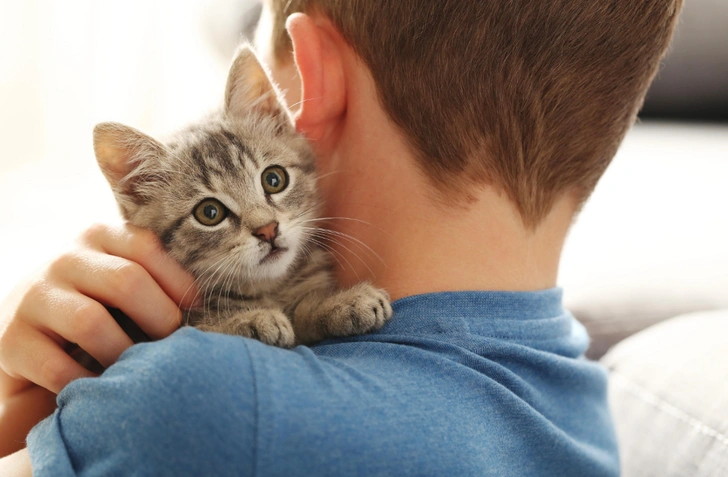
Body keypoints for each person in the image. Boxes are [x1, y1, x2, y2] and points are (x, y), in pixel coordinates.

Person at [0, 0, 682, 475]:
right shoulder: (588, 407)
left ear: (311, 81)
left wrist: (16, 395)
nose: (265, 223)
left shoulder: (194, 401)